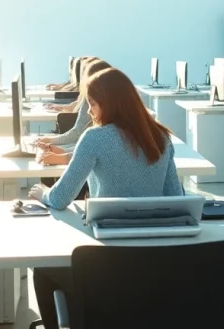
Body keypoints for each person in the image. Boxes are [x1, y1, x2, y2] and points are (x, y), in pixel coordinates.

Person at [27, 67, 183, 329]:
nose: (89, 112)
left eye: (93, 104)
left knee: (44, 270)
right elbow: (176, 198)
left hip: (107, 259)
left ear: (110, 104)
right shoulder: (161, 137)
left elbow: (62, 197)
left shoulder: (95, 138)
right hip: (156, 262)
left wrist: (43, 193)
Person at [33, 59, 112, 166]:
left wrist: (59, 151)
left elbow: (87, 146)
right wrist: (57, 149)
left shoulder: (111, 133)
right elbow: (88, 148)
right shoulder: (106, 128)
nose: (89, 110)